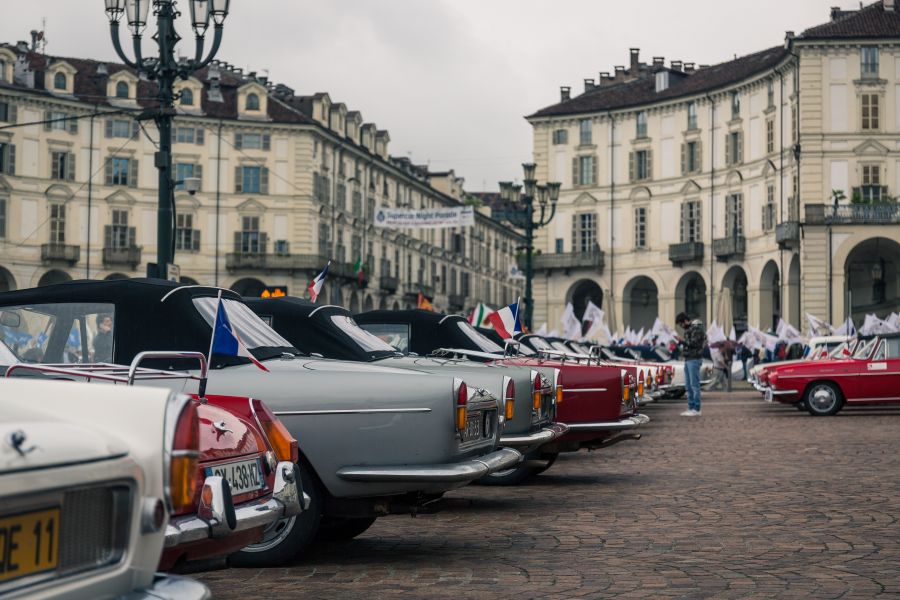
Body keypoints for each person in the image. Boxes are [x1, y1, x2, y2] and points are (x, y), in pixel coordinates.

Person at [676, 312, 706, 417]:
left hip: (694, 359)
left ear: (685, 321)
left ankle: (696, 408)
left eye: (681, 324)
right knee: (688, 386)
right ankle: (691, 407)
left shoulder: (696, 329)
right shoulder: (689, 330)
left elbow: (694, 344)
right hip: (688, 359)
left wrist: (682, 341)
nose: (681, 327)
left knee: (694, 385)